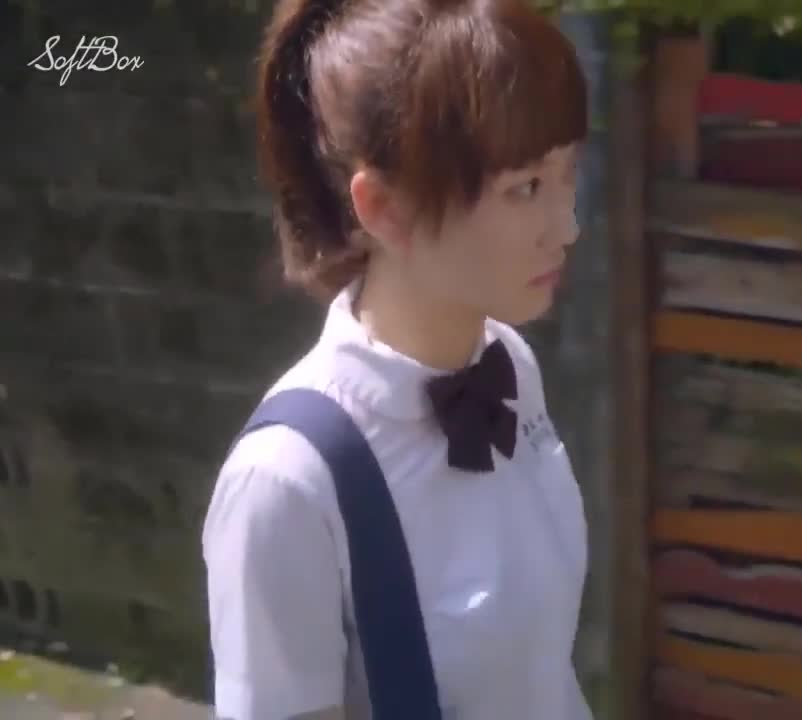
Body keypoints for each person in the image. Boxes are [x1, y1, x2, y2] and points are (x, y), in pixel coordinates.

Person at [200, 0, 590, 717]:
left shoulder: (509, 364)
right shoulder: (286, 484)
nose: (566, 226)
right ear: (385, 209)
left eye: (568, 173)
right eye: (525, 188)